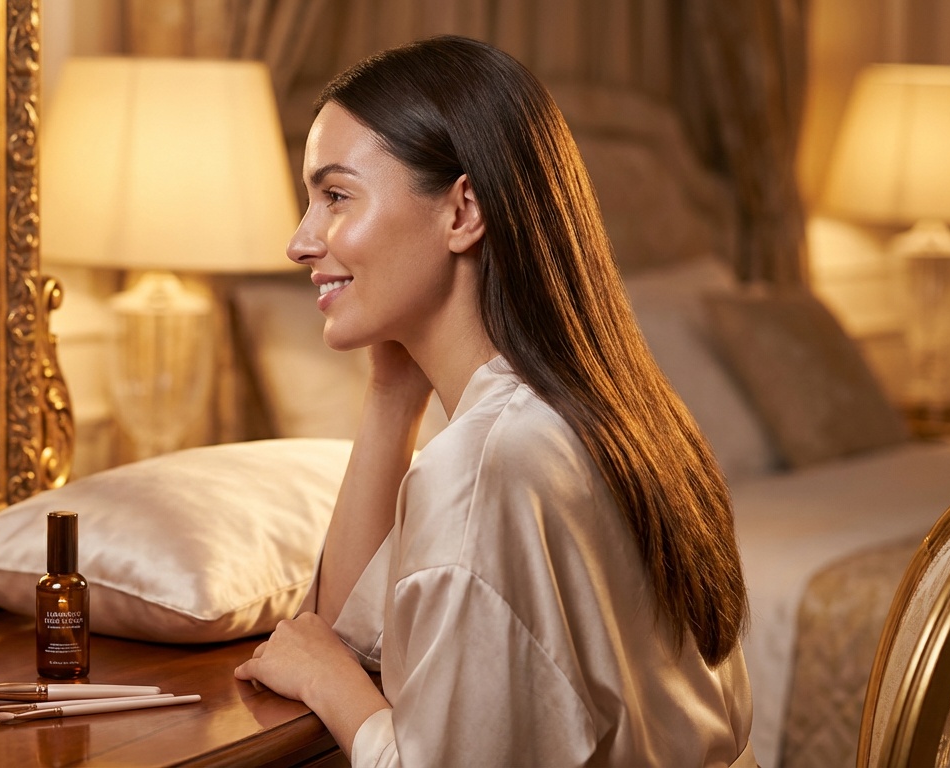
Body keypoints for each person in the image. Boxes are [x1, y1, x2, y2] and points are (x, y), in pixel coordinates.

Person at [232, 35, 755, 767]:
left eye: (336, 196)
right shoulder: (613, 417)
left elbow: (384, 707)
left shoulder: (487, 467)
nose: (299, 242)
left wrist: (333, 686)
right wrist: (391, 393)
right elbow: (353, 634)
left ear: (462, 211)